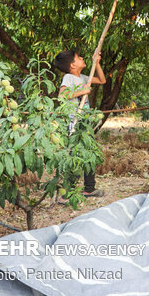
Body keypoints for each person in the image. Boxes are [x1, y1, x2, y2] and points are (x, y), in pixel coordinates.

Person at [53, 50, 107, 199]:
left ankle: (89, 188)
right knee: (74, 155)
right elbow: (62, 96)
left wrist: (96, 63)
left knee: (89, 154)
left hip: (85, 122)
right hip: (74, 122)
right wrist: (82, 91)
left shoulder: (83, 77)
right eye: (78, 57)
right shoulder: (69, 78)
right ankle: (67, 193)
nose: (82, 57)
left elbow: (102, 81)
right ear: (72, 65)